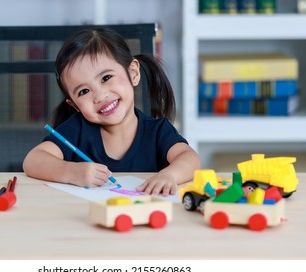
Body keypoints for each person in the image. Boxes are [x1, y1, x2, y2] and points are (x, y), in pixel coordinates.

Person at [23, 27, 200, 196]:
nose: (100, 96)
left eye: (106, 78)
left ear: (133, 73)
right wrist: (72, 172)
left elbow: (190, 158)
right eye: (84, 91)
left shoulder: (157, 131)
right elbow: (33, 161)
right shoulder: (77, 129)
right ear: (75, 105)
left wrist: (169, 175)